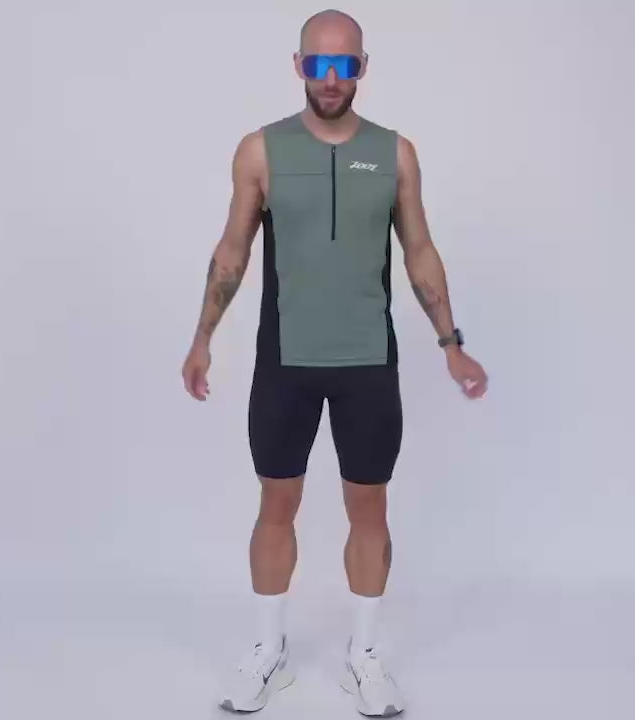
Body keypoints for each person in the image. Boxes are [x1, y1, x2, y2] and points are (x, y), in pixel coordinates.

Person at [181, 9, 488, 716]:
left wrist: (451, 344)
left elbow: (419, 251)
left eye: (343, 65)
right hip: (284, 360)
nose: (330, 78)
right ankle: (269, 650)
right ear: (298, 66)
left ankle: (365, 656)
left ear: (362, 69)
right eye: (318, 64)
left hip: (367, 362)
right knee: (276, 503)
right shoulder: (260, 151)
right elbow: (232, 250)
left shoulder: (395, 153)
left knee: (369, 506)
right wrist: (202, 337)